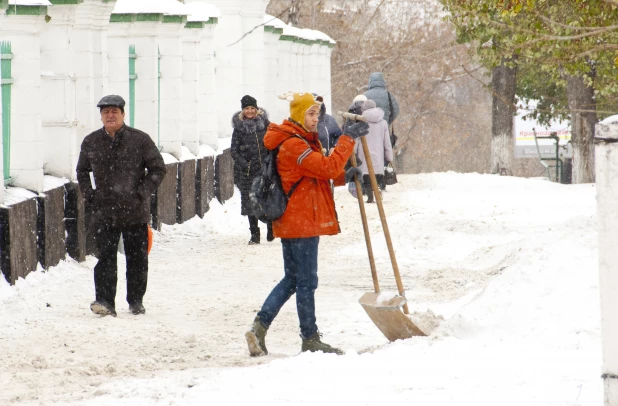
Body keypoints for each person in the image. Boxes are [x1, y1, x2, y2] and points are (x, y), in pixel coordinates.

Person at [244, 92, 369, 356]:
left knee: (293, 279)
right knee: (306, 282)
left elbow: (318, 174)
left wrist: (344, 175)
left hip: (296, 220)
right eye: (310, 114)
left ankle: (259, 328)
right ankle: (309, 338)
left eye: (317, 114)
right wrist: (348, 138)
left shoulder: (300, 140)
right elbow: (324, 168)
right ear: (300, 115)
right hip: (301, 221)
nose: (315, 119)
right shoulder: (294, 144)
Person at [76, 95, 166, 317]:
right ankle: (105, 302)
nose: (110, 115)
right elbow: (81, 171)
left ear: (123, 114)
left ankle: (136, 300)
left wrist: (141, 193)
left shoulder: (140, 140)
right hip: (104, 211)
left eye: (114, 111)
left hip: (134, 210)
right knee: (105, 258)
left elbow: (158, 169)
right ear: (101, 116)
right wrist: (89, 195)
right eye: (106, 112)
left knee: (137, 258)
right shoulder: (91, 141)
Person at [231, 95, 273, 245]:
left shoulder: (266, 125)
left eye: (252, 108)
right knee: (250, 203)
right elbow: (234, 151)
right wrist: (245, 164)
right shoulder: (239, 129)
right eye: (247, 108)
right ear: (243, 111)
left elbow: (274, 143)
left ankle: (270, 227)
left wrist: (270, 160)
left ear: (257, 109)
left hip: (266, 170)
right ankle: (254, 234)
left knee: (268, 199)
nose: (250, 111)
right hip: (248, 173)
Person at [354, 100, 393, 203]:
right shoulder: (383, 122)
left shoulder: (361, 122)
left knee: (366, 175)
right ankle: (378, 188)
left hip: (364, 153)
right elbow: (387, 141)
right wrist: (389, 157)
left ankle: (370, 195)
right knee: (377, 173)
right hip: (378, 153)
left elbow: (357, 140)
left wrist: (354, 152)